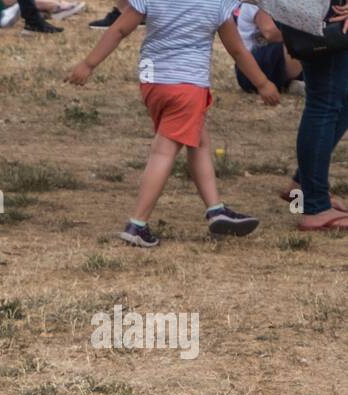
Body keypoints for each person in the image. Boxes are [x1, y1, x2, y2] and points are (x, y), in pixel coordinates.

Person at [66, 0, 279, 249]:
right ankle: (137, 224)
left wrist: (88, 64)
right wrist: (263, 83)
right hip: (188, 86)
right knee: (164, 151)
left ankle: (216, 209)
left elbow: (118, 30)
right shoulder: (218, 3)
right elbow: (238, 50)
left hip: (153, 84)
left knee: (198, 141)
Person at [292, 3, 348, 231]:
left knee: (339, 99)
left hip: (323, 11)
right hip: (328, 12)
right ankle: (316, 208)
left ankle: (303, 184)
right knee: (325, 101)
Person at [235, 3, 302, 96]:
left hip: (271, 61)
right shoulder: (257, 2)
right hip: (250, 69)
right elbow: (271, 33)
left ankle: (296, 83)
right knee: (302, 42)